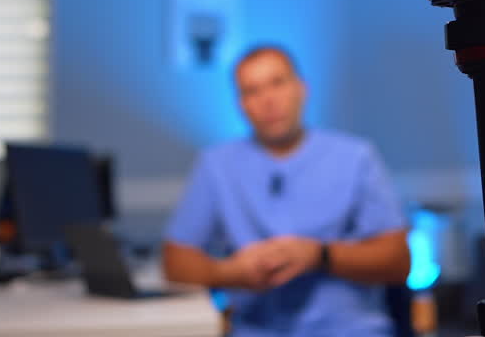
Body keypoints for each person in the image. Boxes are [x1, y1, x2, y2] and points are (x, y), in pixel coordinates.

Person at [162, 46, 410, 336]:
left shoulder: (356, 157)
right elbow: (176, 261)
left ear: (301, 88)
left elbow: (398, 261)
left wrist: (320, 256)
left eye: (277, 83)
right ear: (240, 104)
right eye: (252, 91)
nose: (268, 101)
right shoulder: (217, 164)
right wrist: (232, 274)